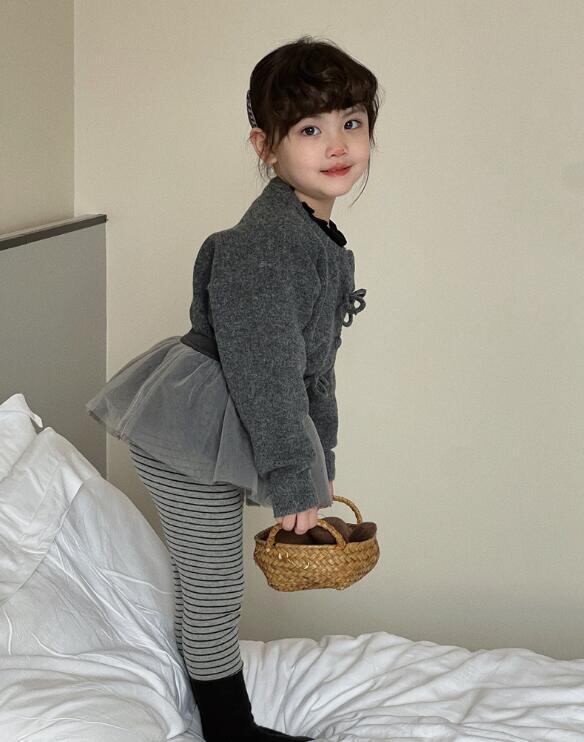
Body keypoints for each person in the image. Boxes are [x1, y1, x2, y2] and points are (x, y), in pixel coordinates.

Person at [86, 34, 381, 742]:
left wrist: (316, 469)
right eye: (309, 129)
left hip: (228, 417)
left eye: (351, 122)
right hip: (188, 431)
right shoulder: (267, 242)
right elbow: (269, 375)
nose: (337, 144)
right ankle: (229, 731)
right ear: (265, 146)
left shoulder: (314, 235)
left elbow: (313, 373)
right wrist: (294, 477)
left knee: (211, 585)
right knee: (213, 589)